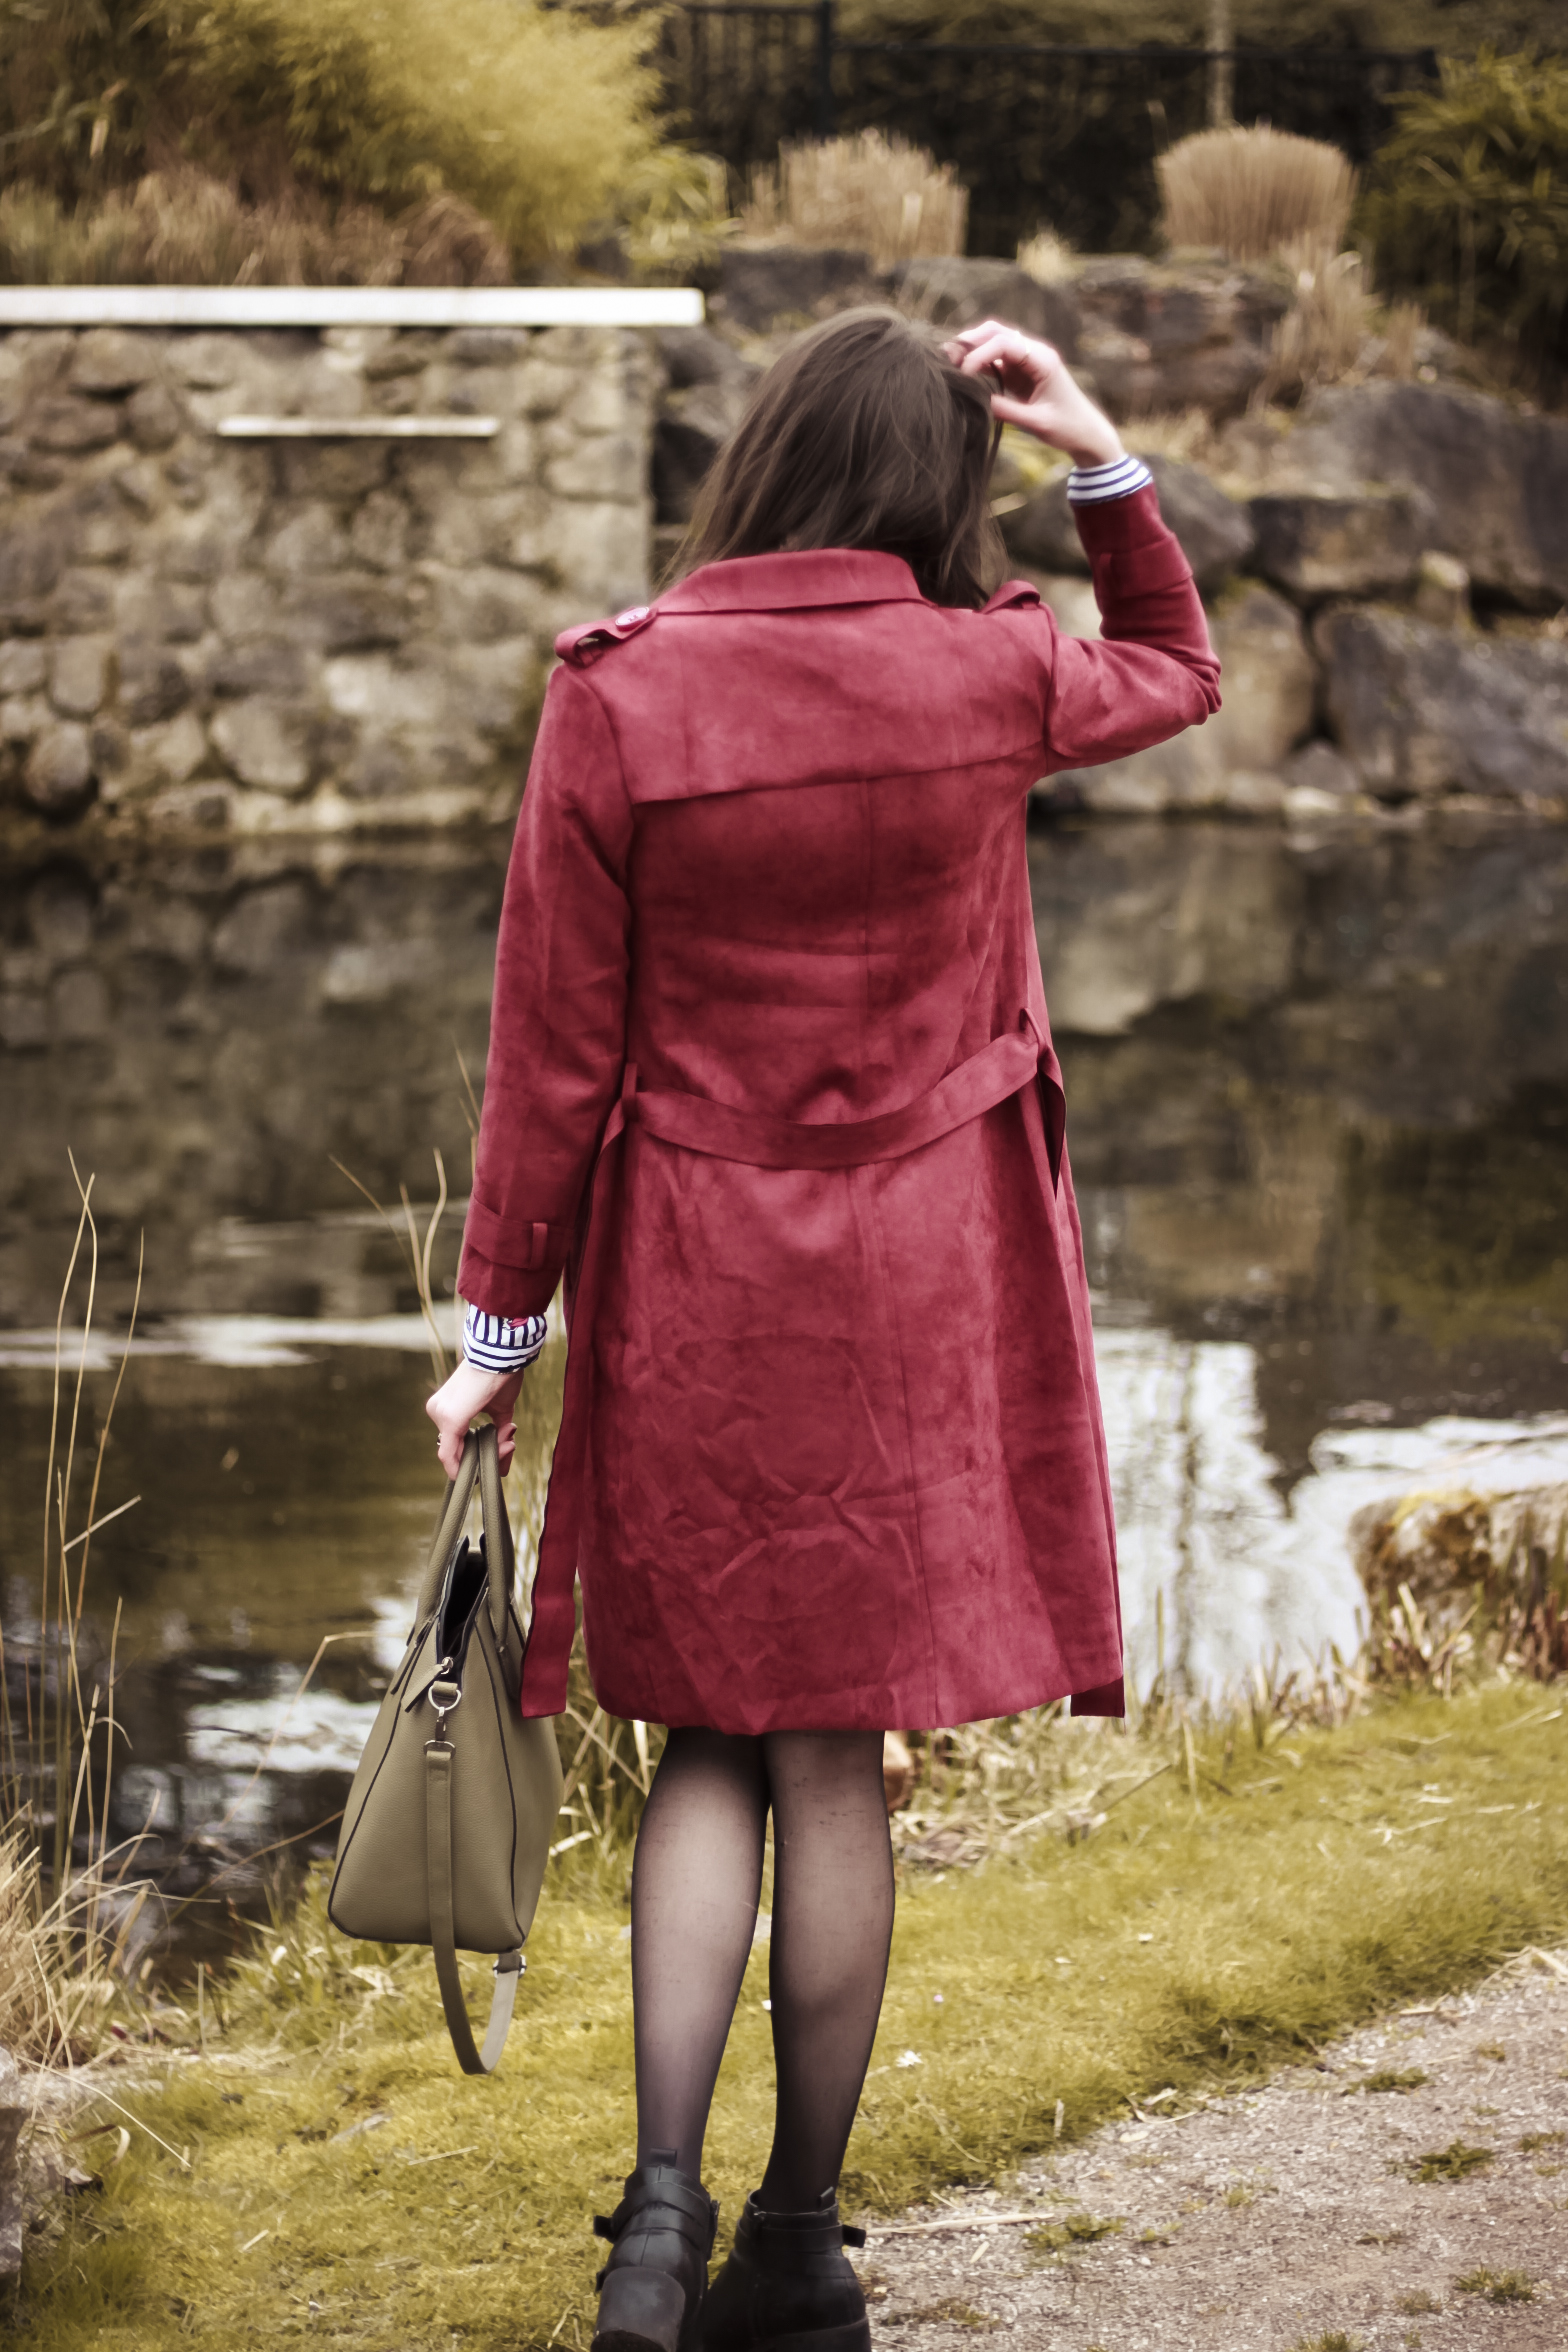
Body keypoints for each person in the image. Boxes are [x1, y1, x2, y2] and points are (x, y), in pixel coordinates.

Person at [425, 309, 1220, 2352]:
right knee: (831, 1755)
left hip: (701, 1283)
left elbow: (551, 1048)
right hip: (919, 1298)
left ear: (766, 458)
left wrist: (497, 1332)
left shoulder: (620, 689)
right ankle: (799, 2252)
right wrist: (1095, 448)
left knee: (709, 1740)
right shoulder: (992, 672)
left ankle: (652, 2238)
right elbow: (1179, 664)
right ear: (936, 484)